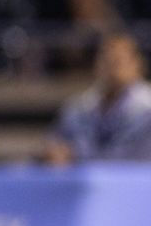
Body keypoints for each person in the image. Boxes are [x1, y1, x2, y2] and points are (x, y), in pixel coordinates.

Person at [44, 33, 151, 164]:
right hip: (82, 182)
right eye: (105, 60)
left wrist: (76, 155)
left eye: (117, 61)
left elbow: (133, 159)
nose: (111, 68)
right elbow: (56, 140)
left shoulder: (147, 109)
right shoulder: (79, 107)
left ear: (137, 64)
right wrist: (55, 152)